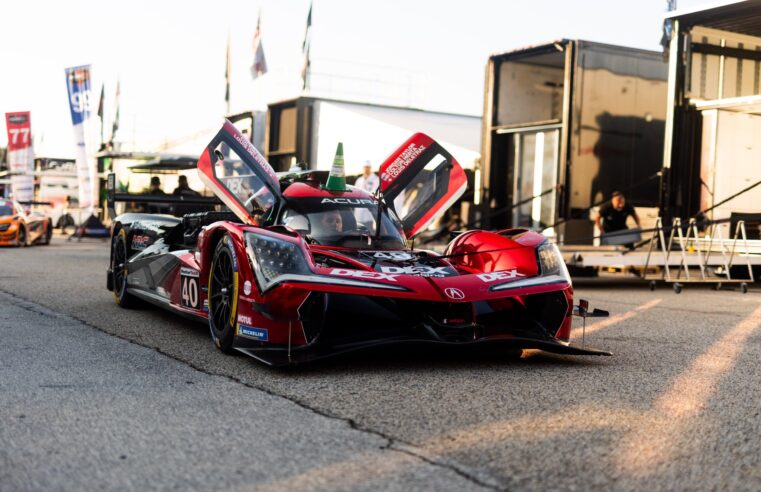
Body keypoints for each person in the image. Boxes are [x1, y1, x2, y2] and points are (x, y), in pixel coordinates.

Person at [354, 162, 379, 227]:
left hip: (368, 211)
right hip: (359, 212)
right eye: (365, 167)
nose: (366, 169)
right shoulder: (359, 180)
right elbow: (355, 193)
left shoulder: (376, 179)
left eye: (368, 167)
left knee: (368, 228)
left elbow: (375, 193)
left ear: (370, 168)